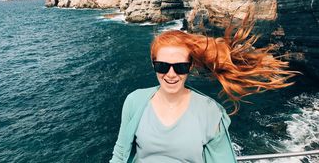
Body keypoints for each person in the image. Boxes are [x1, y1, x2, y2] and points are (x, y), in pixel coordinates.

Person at [110, 19, 297, 163]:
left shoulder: (209, 111)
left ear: (190, 67)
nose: (171, 74)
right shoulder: (135, 101)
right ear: (153, 65)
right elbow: (120, 154)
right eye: (162, 66)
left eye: (180, 67)